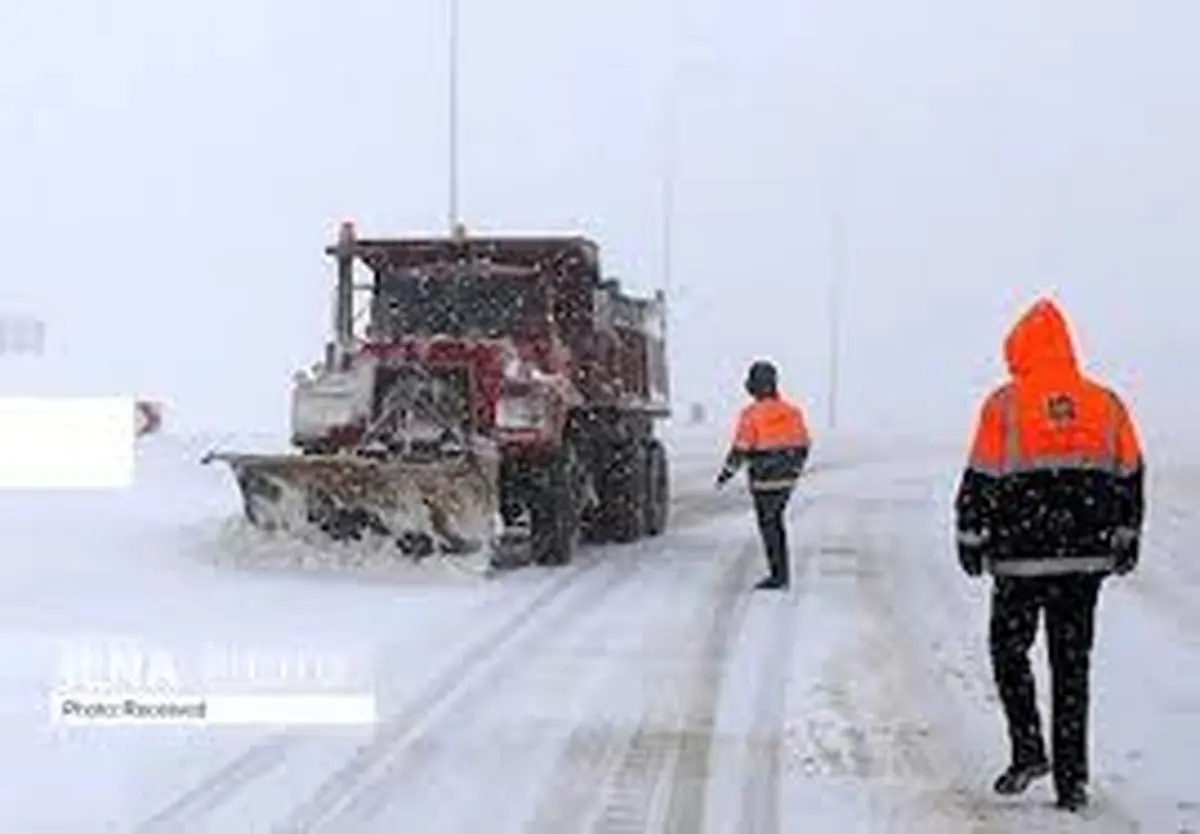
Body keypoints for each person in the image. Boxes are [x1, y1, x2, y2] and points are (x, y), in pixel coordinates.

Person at [953, 297, 1145, 812]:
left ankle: (1029, 750)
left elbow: (979, 481)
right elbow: (1130, 476)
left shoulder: (1005, 404)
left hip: (1020, 560)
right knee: (1072, 666)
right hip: (1084, 562)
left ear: (1020, 349)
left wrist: (970, 540)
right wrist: (1127, 536)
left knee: (1009, 652)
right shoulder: (1107, 404)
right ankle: (1073, 783)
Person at [715, 360, 812, 590]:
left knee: (769, 526)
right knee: (776, 522)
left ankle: (779, 576)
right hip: (786, 480)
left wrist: (725, 474)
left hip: (763, 481)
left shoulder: (750, 414)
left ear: (752, 386)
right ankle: (781, 572)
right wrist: (793, 469)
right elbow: (804, 445)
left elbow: (741, 449)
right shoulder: (793, 411)